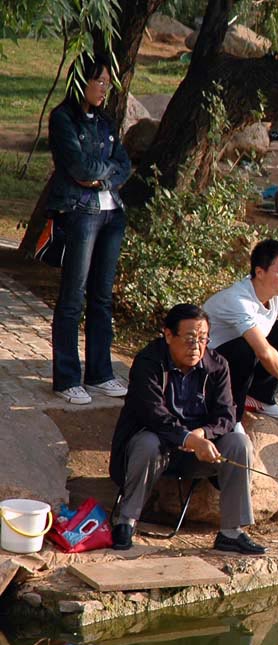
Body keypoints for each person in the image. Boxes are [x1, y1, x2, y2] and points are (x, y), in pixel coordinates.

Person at [108, 304, 265, 554]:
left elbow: (226, 415)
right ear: (168, 335)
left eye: (203, 339)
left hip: (198, 453)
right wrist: (188, 438)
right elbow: (152, 414)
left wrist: (203, 435)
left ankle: (232, 531)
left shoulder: (217, 365)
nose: (196, 346)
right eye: (190, 338)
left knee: (238, 443)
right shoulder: (148, 362)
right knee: (148, 442)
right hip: (157, 448)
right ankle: (125, 521)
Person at [46, 54, 132, 405]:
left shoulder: (107, 121)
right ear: (81, 81)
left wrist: (102, 174)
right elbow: (79, 166)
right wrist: (101, 173)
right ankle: (67, 378)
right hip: (81, 213)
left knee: (101, 297)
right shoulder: (63, 118)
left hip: (112, 215)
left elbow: (124, 165)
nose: (104, 88)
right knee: (73, 297)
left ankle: (100, 374)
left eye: (108, 82)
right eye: (99, 81)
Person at [204, 239, 278, 421]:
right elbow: (264, 352)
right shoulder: (239, 300)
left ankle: (262, 397)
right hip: (210, 367)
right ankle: (232, 413)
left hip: (243, 359)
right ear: (259, 272)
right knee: (247, 346)